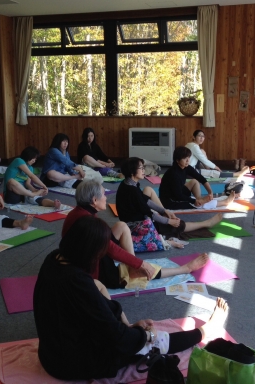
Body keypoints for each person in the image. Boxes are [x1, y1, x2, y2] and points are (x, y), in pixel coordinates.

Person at [34, 215, 230, 381]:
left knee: (105, 300)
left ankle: (137, 332)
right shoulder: (77, 283)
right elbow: (116, 337)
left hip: (50, 353)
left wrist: (129, 326)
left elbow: (93, 312)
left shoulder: (54, 259)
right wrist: (146, 336)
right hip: (69, 364)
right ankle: (205, 331)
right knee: (155, 342)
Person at [62, 180, 209, 288]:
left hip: (88, 254)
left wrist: (135, 262)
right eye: (103, 194)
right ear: (94, 200)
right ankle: (185, 269)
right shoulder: (88, 223)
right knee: (143, 271)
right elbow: (111, 249)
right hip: (91, 269)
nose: (106, 197)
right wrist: (140, 264)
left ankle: (132, 267)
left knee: (121, 226)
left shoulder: (79, 213)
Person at [116, 157, 224, 252]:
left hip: (135, 219)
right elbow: (149, 213)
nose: (144, 170)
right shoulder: (132, 190)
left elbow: (145, 201)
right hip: (136, 226)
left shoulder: (129, 184)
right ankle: (206, 223)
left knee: (169, 219)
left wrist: (164, 211)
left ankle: (168, 222)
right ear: (132, 172)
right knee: (178, 225)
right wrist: (169, 221)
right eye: (141, 168)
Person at [160, 146, 235, 210]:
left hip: (177, 193)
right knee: (193, 203)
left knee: (194, 181)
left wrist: (210, 192)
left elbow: (200, 178)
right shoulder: (173, 173)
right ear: (177, 160)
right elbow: (178, 195)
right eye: (185, 158)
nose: (188, 160)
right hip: (170, 201)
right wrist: (193, 201)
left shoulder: (186, 167)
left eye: (188, 158)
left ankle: (200, 200)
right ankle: (225, 202)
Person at [185, 130, 249, 178]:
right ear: (194, 137)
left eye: (203, 136)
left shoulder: (189, 144)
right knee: (213, 173)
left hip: (189, 168)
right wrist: (216, 167)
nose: (201, 138)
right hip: (189, 171)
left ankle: (209, 171)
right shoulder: (194, 146)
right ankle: (237, 174)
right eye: (199, 136)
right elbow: (204, 160)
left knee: (202, 151)